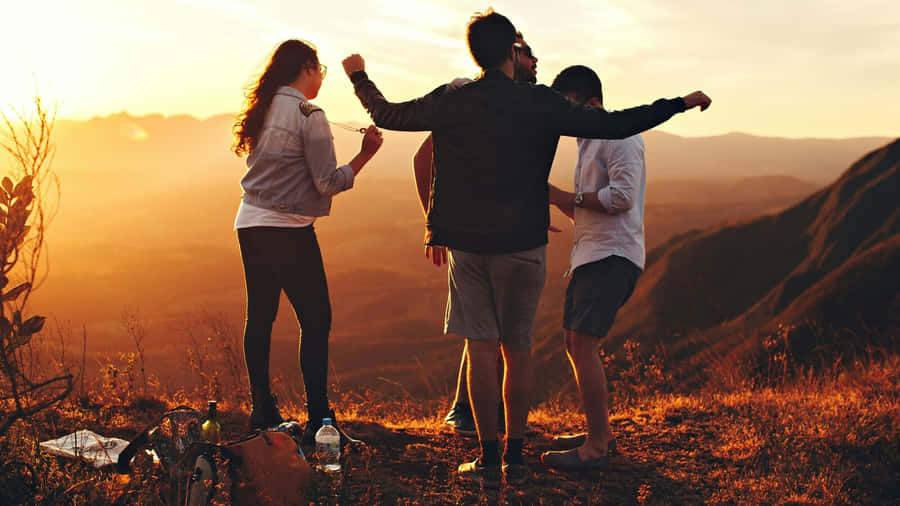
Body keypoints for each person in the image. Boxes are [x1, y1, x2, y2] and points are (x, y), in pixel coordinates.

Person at [343, 9, 710, 487]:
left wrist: (359, 77)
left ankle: (488, 461)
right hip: (524, 243)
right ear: (512, 54)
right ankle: (516, 457)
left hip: (470, 245)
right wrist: (679, 102)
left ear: (476, 53)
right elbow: (617, 124)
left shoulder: (453, 100)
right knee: (519, 351)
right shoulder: (539, 102)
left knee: (481, 351)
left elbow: (388, 114)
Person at [232, 39, 383, 445]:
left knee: (260, 317)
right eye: (321, 71)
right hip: (289, 229)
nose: (321, 80)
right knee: (316, 321)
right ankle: (320, 421)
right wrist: (365, 154)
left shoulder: (264, 107)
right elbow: (327, 182)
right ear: (307, 68)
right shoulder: (309, 114)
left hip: (249, 222)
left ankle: (262, 410)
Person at [411, 32, 539, 437]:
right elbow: (423, 156)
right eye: (528, 55)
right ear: (510, 56)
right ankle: (466, 412)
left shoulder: (511, 105)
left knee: (490, 328)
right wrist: (435, 223)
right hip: (471, 233)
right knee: (482, 329)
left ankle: (479, 416)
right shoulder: (469, 97)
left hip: (498, 230)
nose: (537, 63)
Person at [539, 65, 649, 471]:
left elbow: (620, 197)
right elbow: (589, 207)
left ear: (591, 102)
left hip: (612, 257)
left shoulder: (616, 135)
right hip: (592, 254)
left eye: (566, 105)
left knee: (583, 345)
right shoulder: (589, 141)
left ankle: (597, 447)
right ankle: (597, 432)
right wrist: (555, 200)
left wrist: (568, 195)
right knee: (574, 343)